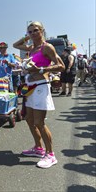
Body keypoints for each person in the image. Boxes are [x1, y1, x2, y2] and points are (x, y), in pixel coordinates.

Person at [13, 21, 64, 169]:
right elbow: (15, 45)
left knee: (39, 122)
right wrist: (26, 38)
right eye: (30, 31)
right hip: (29, 87)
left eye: (36, 30)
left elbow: (61, 66)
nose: (33, 33)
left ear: (42, 31)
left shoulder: (47, 47)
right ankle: (38, 148)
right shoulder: (31, 48)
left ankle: (50, 154)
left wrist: (41, 70)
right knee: (29, 119)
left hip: (41, 86)